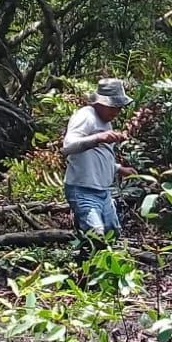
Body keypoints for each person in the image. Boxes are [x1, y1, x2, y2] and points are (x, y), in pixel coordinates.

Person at [61, 78, 133, 237]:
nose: (116, 113)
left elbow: (100, 156)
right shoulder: (86, 116)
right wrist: (98, 138)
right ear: (100, 103)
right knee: (97, 234)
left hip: (103, 191)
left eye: (119, 108)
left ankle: (88, 257)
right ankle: (85, 260)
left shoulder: (106, 123)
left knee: (112, 233)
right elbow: (67, 147)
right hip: (82, 189)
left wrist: (119, 169)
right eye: (112, 108)